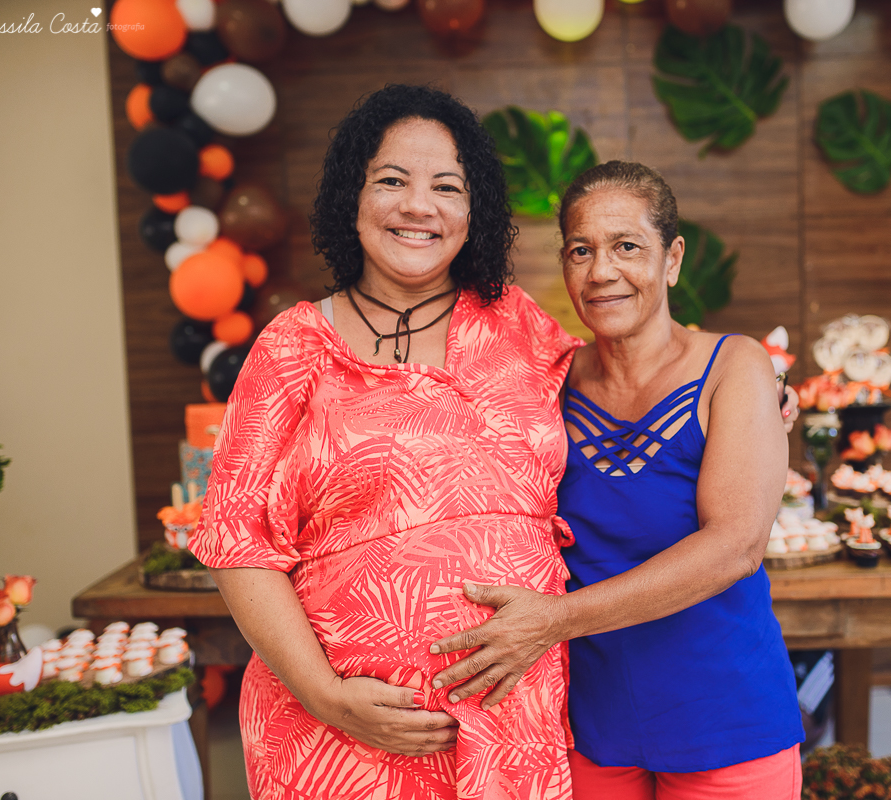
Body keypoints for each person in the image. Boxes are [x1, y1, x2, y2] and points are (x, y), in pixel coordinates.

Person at [189, 85, 583, 800]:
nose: (418, 205)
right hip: (336, 737)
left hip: (507, 732)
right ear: (353, 195)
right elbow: (237, 541)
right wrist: (325, 695)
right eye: (392, 181)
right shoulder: (291, 347)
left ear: (474, 210)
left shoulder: (519, 325)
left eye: (446, 186)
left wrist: (743, 391)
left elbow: (628, 393)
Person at [430, 161, 805, 799]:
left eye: (627, 246)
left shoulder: (732, 366)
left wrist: (551, 620)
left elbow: (736, 546)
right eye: (582, 251)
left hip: (725, 716)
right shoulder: (549, 380)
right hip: (590, 724)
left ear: (672, 257)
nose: (602, 271)